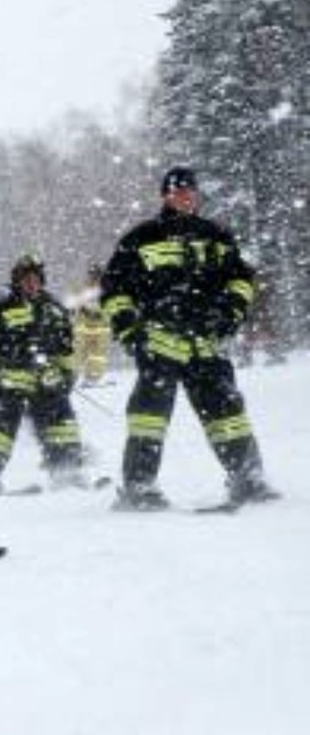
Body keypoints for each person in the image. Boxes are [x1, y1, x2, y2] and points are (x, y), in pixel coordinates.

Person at [100, 167, 276, 511]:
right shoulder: (141, 237)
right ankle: (139, 488)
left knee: (228, 415)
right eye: (178, 191)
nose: (186, 196)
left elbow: (241, 282)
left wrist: (229, 313)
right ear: (165, 195)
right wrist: (131, 333)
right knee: (148, 419)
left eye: (190, 191)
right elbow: (114, 292)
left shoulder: (217, 235)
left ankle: (248, 479)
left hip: (206, 345)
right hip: (159, 345)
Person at [0, 255, 88, 492]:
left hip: (48, 383)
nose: (32, 284)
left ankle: (67, 471)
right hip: (9, 384)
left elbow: (66, 346)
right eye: (26, 279)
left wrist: (66, 375)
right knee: (0, 433)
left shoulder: (54, 307)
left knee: (62, 426)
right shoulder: (2, 308)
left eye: (35, 279)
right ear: (17, 281)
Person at [69, 265, 112, 386]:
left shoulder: (106, 289)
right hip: (84, 328)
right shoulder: (84, 289)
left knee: (97, 356)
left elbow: (110, 306)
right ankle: (72, 376)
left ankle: (93, 377)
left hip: (101, 329)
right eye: (93, 274)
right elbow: (74, 304)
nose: (95, 277)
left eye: (97, 275)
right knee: (78, 354)